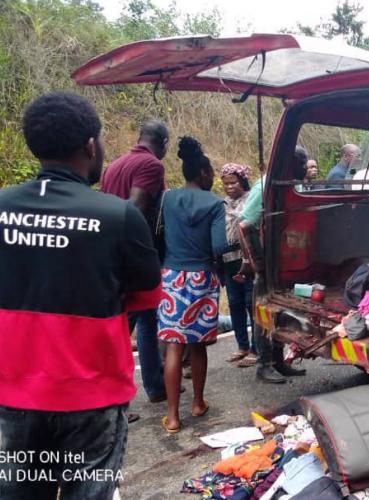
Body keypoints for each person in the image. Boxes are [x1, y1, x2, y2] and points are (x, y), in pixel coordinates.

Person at [0, 92, 161, 499]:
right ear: (91, 144)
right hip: (92, 395)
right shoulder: (118, 215)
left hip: (11, 390)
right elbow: (146, 297)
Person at [158, 137, 227, 433]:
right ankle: (197, 403)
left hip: (171, 277)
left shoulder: (168, 198)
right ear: (202, 173)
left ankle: (173, 417)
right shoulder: (214, 203)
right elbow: (219, 246)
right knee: (198, 346)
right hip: (202, 277)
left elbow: (159, 234)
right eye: (211, 172)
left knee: (174, 346)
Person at [100, 119, 169, 405]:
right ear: (163, 142)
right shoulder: (152, 166)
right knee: (128, 323)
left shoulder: (114, 166)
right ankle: (106, 393)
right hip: (135, 256)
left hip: (111, 252)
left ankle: (154, 385)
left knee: (143, 319)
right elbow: (136, 208)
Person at [240, 146, 309, 383]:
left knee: (280, 312)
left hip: (284, 261)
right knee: (263, 312)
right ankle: (264, 365)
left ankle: (279, 361)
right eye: (302, 164)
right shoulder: (266, 186)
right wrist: (255, 263)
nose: (305, 169)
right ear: (291, 163)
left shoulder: (289, 184)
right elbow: (245, 225)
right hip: (267, 262)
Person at [219, 162, 257, 367]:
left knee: (251, 303)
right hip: (228, 261)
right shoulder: (222, 204)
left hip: (248, 260)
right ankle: (242, 346)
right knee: (234, 303)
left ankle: (255, 348)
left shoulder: (251, 199)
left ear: (242, 181)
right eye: (225, 183)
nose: (229, 187)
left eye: (233, 182)